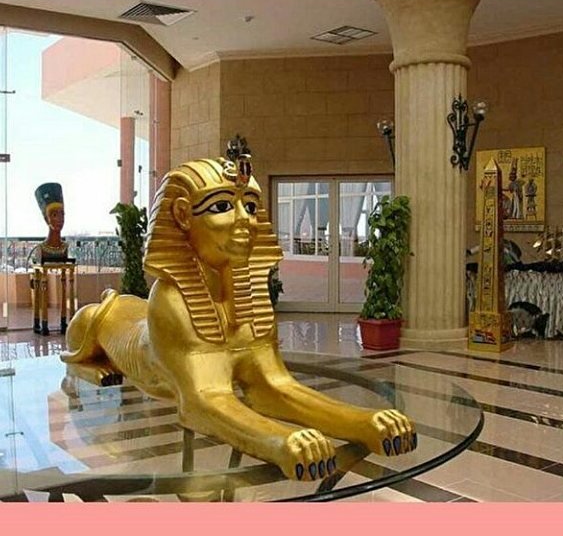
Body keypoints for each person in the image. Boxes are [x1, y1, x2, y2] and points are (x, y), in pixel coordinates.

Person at [61, 152, 417, 481]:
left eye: (249, 206)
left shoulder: (250, 294)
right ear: (182, 216)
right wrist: (279, 440)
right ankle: (82, 364)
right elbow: (201, 401)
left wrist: (362, 422)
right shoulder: (170, 300)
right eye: (221, 207)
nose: (245, 220)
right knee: (92, 318)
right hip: (113, 323)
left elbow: (274, 386)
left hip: (167, 324)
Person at [32, 182, 68, 263]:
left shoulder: (65, 248)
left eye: (62, 214)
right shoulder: (41, 248)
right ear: (46, 219)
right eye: (54, 215)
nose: (60, 219)